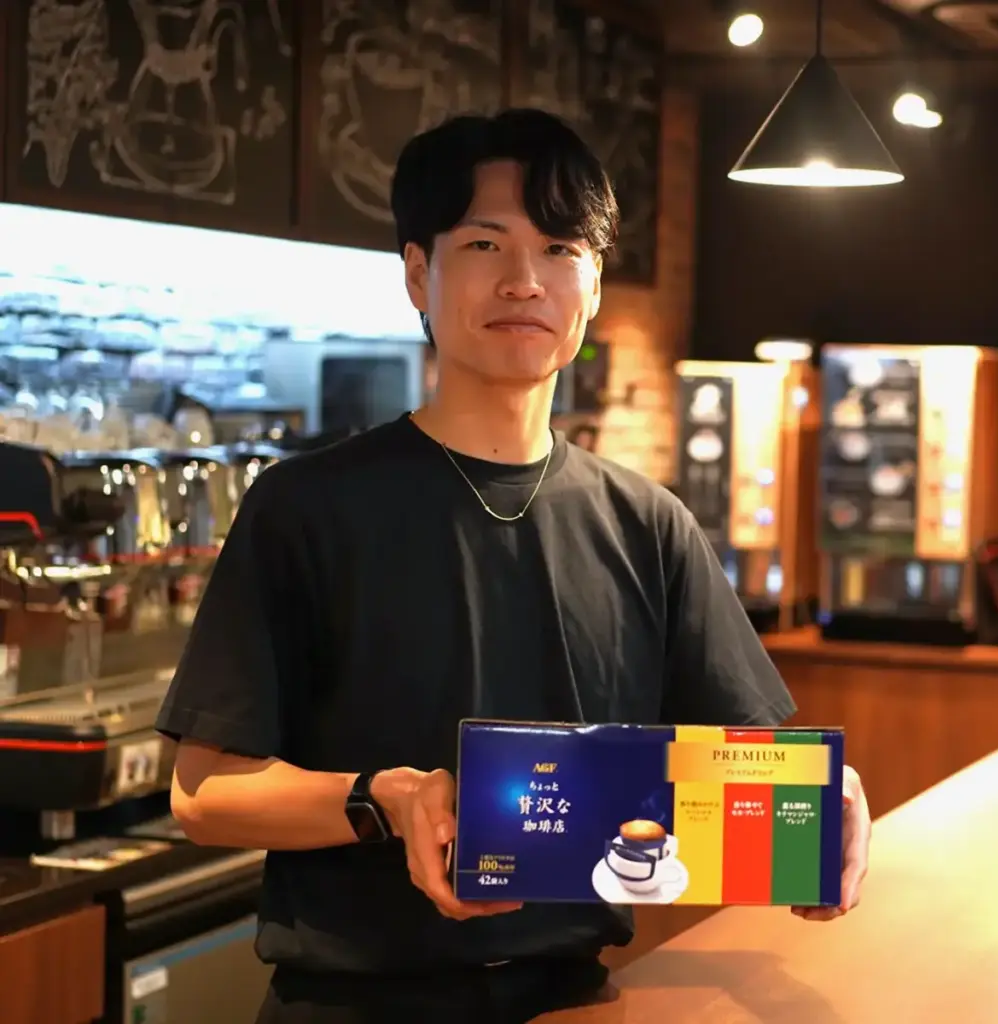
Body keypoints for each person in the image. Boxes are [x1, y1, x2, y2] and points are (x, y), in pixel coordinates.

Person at [156, 108, 871, 1024]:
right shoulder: (306, 507)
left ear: (595, 284)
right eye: (485, 244)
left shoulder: (648, 524)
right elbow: (204, 793)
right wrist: (384, 799)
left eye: (561, 249)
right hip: (348, 1005)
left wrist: (820, 801)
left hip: (574, 1001)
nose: (525, 281)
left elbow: (735, 766)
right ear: (418, 273)